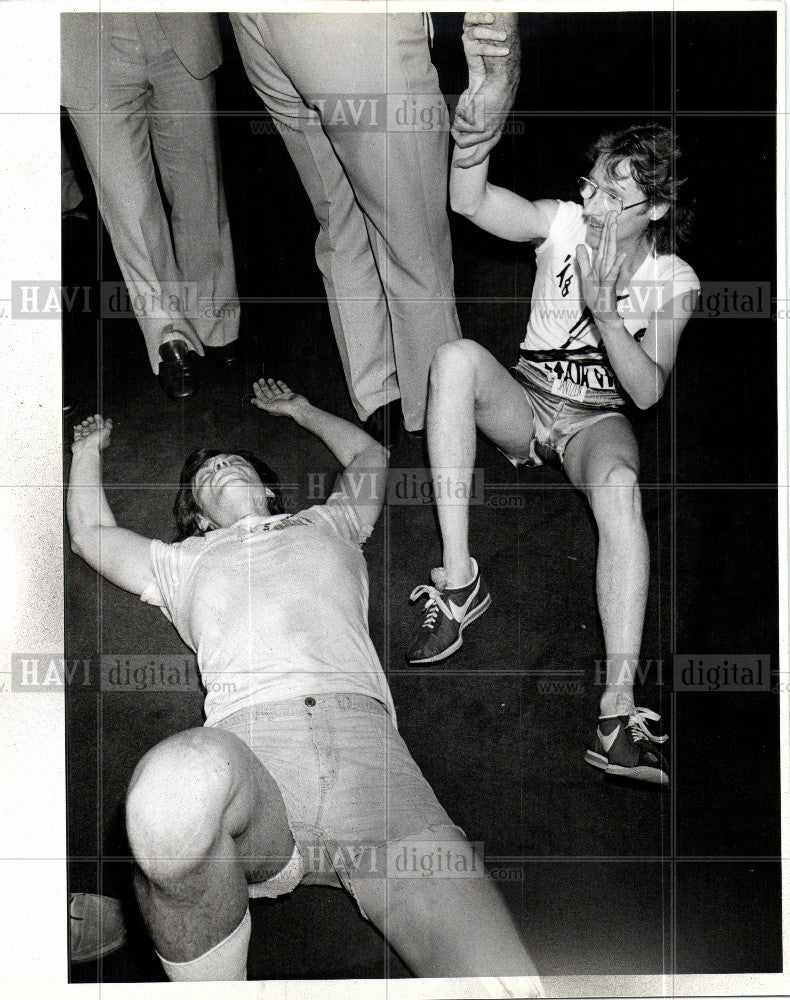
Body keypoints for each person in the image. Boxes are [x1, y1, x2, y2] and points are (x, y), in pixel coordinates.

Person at [67, 381, 543, 994]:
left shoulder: (330, 523)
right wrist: (88, 451)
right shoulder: (182, 562)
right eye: (206, 473)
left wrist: (301, 409)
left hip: (375, 769)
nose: (220, 466)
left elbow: (371, 458)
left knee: (506, 986)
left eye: (233, 460)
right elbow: (93, 536)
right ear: (197, 514)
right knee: (169, 793)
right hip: (253, 759)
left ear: (269, 488)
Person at [407, 106, 699, 785]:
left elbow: (648, 391)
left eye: (611, 193)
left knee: (622, 488)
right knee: (453, 359)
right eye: (590, 183)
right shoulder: (564, 223)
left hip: (596, 420)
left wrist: (604, 311)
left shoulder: (674, 282)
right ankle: (460, 584)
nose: (590, 201)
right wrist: (473, 142)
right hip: (528, 397)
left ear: (653, 209)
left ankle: (616, 713)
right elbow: (470, 201)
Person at [227, 13, 520, 445]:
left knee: (338, 212)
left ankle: (377, 394)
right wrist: (502, 69)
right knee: (415, 241)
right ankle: (437, 419)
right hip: (349, 25)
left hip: (255, 21)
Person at [61, 13, 240, 400]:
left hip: (177, 28)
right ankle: (168, 337)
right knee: (130, 206)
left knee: (199, 188)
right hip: (88, 40)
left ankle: (215, 320)